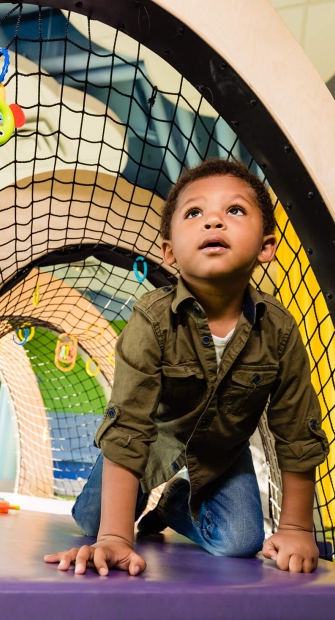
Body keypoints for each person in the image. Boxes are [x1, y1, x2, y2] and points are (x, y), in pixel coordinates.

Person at [44, 159, 329, 576]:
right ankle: (129, 495)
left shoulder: (279, 331)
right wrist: (117, 538)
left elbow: (296, 430)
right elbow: (128, 425)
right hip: (153, 437)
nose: (213, 220)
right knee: (92, 523)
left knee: (239, 543)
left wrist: (296, 527)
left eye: (234, 210)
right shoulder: (152, 318)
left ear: (267, 246)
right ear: (170, 251)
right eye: (195, 212)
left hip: (224, 448)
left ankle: (175, 503)